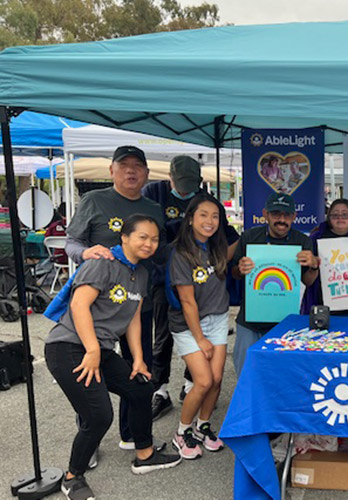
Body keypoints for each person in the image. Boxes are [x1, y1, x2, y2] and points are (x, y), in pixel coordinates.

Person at [46, 215, 181, 500]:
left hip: (101, 350)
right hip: (69, 347)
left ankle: (144, 453)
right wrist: (93, 350)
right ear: (125, 237)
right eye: (142, 237)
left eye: (154, 239)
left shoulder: (141, 273)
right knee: (99, 416)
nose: (149, 243)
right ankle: (72, 477)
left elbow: (133, 318)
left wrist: (139, 359)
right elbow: (79, 305)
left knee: (142, 387)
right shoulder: (101, 263)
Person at [65, 145, 165, 455]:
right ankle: (89, 438)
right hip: (99, 310)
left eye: (138, 166)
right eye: (124, 165)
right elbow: (71, 241)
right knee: (90, 368)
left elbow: (160, 253)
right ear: (112, 170)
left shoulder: (154, 208)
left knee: (138, 370)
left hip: (137, 304)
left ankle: (132, 435)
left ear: (147, 174)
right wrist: (85, 253)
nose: (131, 171)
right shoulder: (94, 200)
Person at [143, 155, 239, 420]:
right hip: (166, 278)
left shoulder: (208, 201)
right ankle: (159, 390)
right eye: (180, 183)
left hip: (202, 283)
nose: (184, 189)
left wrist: (222, 258)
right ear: (170, 177)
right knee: (162, 337)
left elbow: (229, 237)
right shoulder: (154, 192)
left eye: (190, 184)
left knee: (203, 347)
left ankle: (191, 385)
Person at [167, 195, 229, 459]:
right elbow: (187, 301)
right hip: (189, 325)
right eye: (203, 215)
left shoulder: (216, 248)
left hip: (218, 319)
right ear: (191, 218)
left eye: (215, 216)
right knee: (202, 381)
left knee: (216, 380)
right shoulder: (181, 253)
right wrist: (200, 338)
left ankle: (203, 425)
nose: (209, 221)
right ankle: (182, 431)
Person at [230, 193, 319, 374]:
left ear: (294, 216)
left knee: (280, 374)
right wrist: (240, 268)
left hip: (285, 323)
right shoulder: (249, 237)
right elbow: (234, 274)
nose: (282, 220)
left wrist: (314, 265)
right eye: (276, 214)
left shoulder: (303, 241)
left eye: (287, 215)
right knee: (245, 372)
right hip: (249, 322)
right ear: (265, 214)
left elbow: (308, 281)